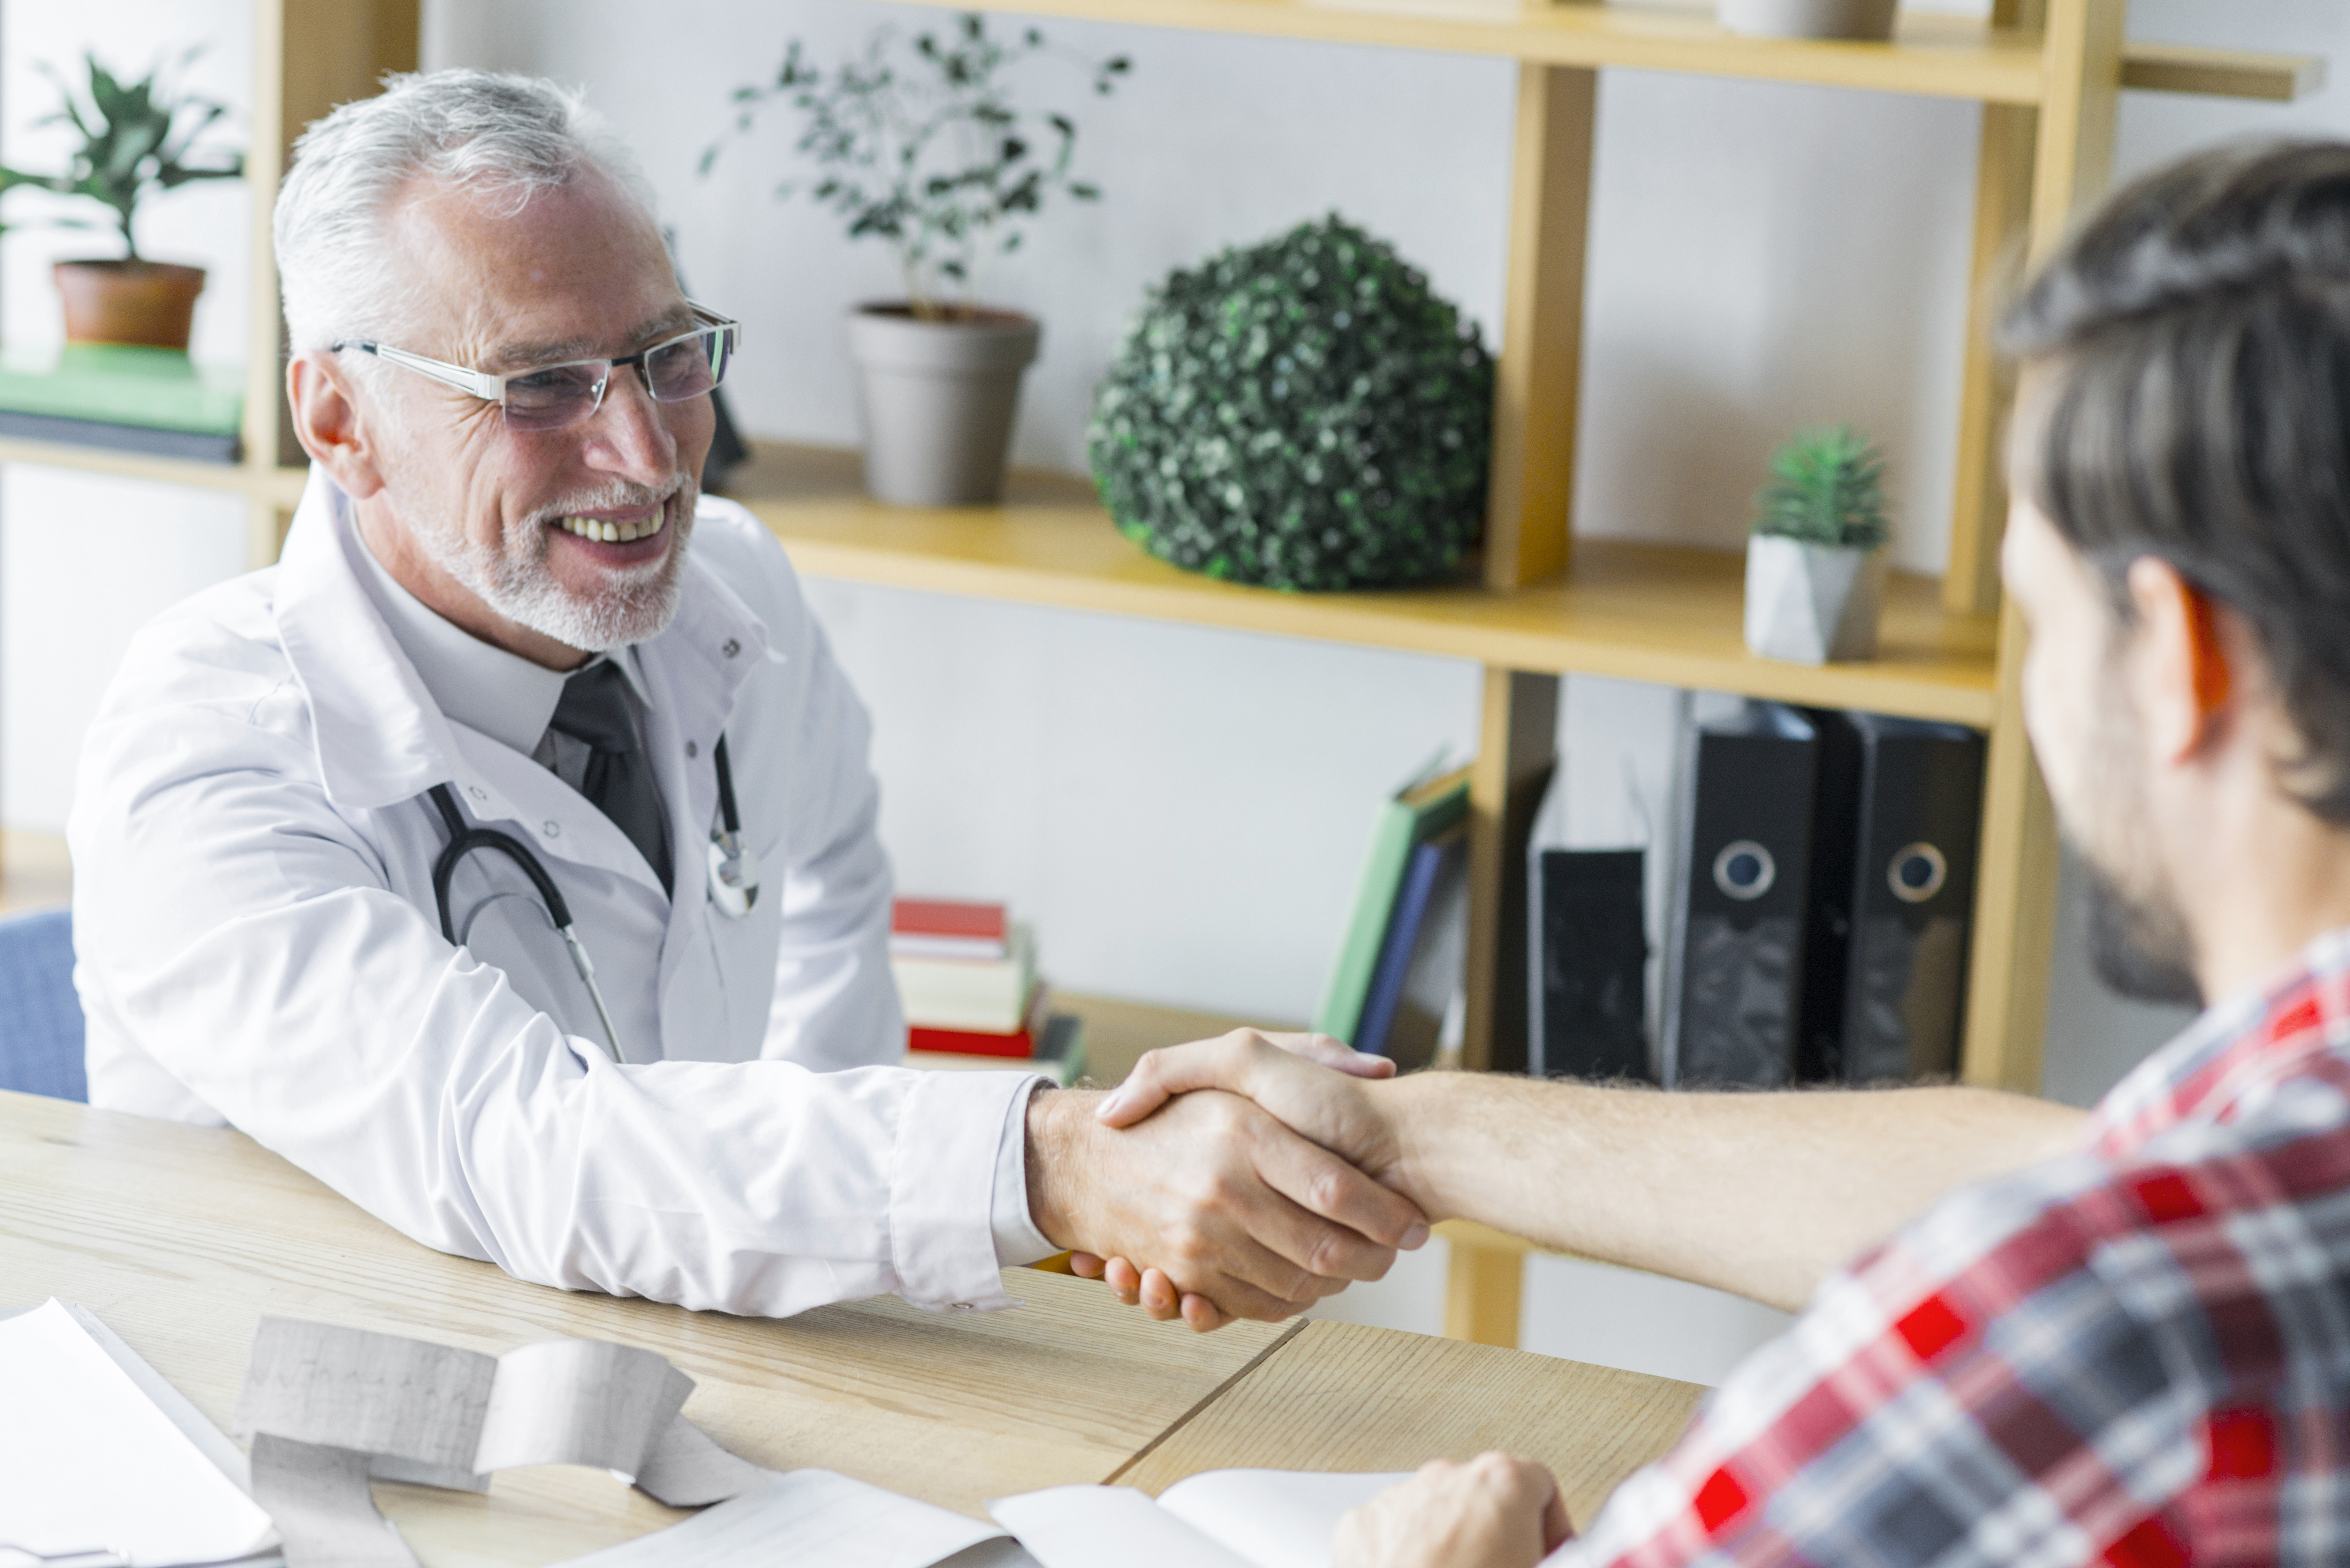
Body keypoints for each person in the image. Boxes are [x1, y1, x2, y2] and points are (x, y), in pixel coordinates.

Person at [1091, 139, 2350, 1566]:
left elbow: (2067, 1240)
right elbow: (2075, 1169)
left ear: (2180, 657)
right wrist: (1396, 1131)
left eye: (2039, 619)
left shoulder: (2099, 1320)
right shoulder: (2245, 1172)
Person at [66, 69, 1426, 1325]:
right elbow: (524, 1144)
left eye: (667, 353)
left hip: (679, 1372)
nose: (650, 452)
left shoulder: (730, 591)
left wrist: (849, 1257)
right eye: (541, 386)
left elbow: (835, 885)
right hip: (315, 1431)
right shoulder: (203, 758)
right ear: (338, 421)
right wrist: (1042, 1165)